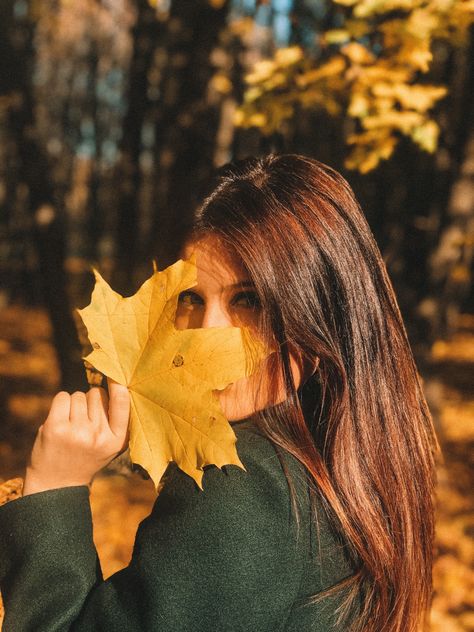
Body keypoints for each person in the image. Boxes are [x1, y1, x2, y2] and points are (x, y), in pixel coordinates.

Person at [0, 154, 437, 632]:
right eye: (191, 298)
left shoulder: (241, 487)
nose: (206, 333)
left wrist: (52, 490)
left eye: (249, 300)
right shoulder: (346, 469)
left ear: (318, 313)